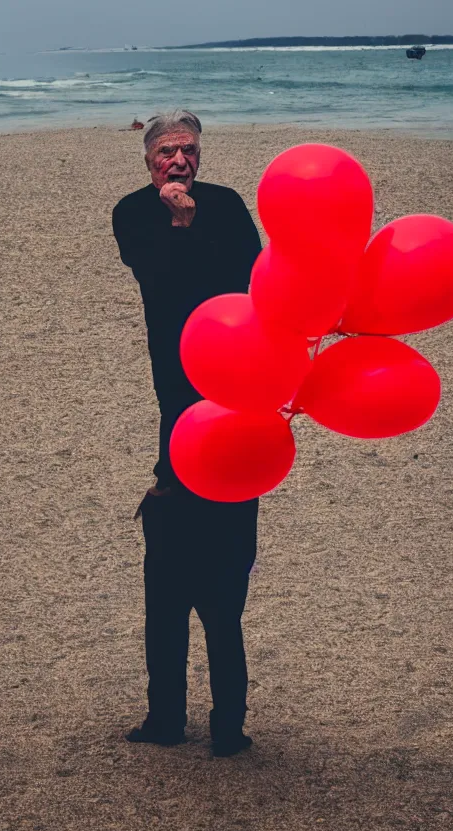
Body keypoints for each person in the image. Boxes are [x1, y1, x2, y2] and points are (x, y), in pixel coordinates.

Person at [111, 110, 263, 757]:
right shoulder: (132, 214)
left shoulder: (226, 205)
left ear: (201, 155)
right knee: (165, 593)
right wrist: (177, 221)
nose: (180, 160)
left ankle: (229, 728)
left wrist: (197, 219)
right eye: (168, 150)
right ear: (149, 160)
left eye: (189, 150)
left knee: (225, 596)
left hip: (239, 403)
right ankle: (165, 720)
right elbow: (161, 279)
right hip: (176, 401)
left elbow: (251, 280)